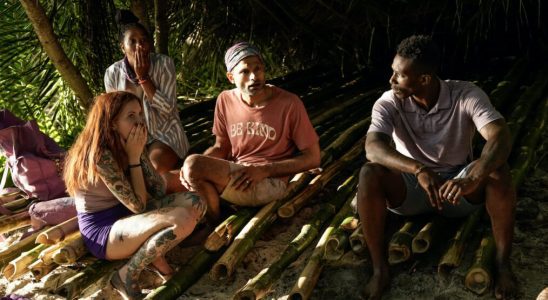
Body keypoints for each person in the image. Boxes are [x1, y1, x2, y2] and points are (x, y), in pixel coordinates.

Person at [355, 35, 516, 299]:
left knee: (498, 169)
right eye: (392, 72)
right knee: (369, 172)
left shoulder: (466, 95)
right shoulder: (388, 101)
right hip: (411, 187)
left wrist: (472, 177)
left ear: (425, 79)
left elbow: (500, 136)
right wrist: (418, 169)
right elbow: (373, 148)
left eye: (399, 75)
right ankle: (379, 270)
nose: (391, 80)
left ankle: (502, 264)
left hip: (457, 190)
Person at [63, 92, 206, 299]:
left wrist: (140, 154)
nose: (139, 121)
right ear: (112, 123)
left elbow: (157, 189)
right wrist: (133, 158)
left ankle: (160, 265)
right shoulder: (100, 155)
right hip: (106, 230)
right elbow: (139, 205)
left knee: (196, 202)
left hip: (131, 218)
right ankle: (127, 275)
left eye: (140, 114)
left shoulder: (127, 142)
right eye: (131, 116)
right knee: (182, 219)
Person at [180, 42, 320, 223]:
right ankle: (215, 222)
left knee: (193, 166)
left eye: (258, 69)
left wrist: (264, 170)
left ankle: (213, 223)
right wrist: (192, 167)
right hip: (239, 176)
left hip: (269, 182)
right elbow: (221, 147)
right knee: (185, 171)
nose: (254, 76)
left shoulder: (289, 103)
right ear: (231, 77)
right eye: (245, 72)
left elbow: (313, 158)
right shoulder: (225, 100)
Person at [104, 10, 189, 193]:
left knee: (153, 170)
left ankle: (177, 188)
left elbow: (168, 110)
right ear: (122, 47)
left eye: (143, 41)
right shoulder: (112, 73)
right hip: (130, 137)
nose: (139, 46)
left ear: (149, 45)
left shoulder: (164, 64)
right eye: (132, 42)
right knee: (117, 174)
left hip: (164, 134)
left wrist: (143, 78)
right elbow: (114, 116)